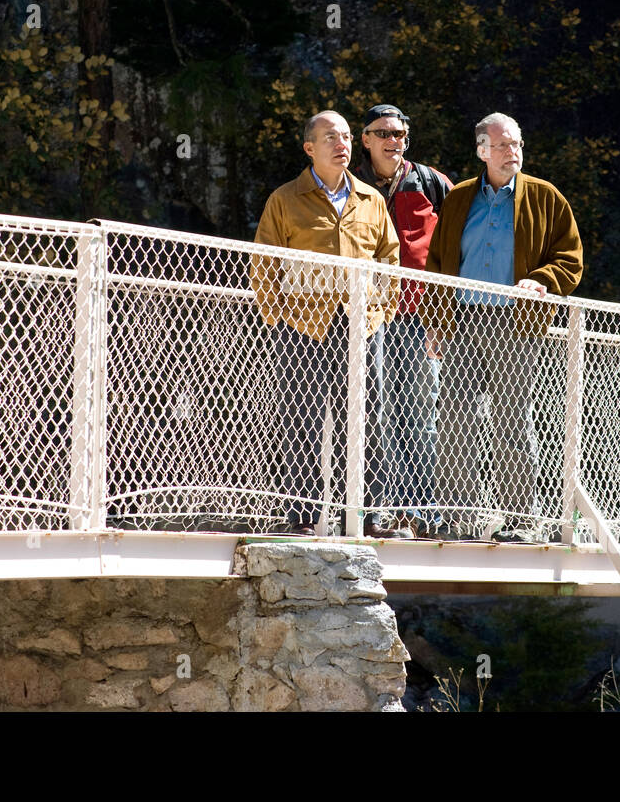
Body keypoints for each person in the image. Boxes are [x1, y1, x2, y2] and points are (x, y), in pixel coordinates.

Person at [424, 112, 583, 542]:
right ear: (482, 151)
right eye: (503, 145)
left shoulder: (546, 197)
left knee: (513, 421)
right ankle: (459, 518)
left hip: (516, 324)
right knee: (455, 421)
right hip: (461, 321)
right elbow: (437, 263)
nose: (513, 152)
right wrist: (435, 322)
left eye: (517, 144)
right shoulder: (457, 198)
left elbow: (571, 259)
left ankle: (522, 523)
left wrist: (542, 279)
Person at [250, 110, 407, 537]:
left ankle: (370, 515)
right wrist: (277, 316)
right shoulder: (285, 198)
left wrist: (383, 312)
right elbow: (263, 264)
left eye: (346, 138)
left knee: (370, 418)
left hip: (361, 326)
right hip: (302, 326)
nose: (342, 145)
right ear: (309, 148)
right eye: (331, 138)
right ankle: (303, 516)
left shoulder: (370, 199)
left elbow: (390, 260)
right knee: (300, 418)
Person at [352, 103, 453, 537]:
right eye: (385, 133)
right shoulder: (351, 186)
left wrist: (443, 319)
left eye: (400, 134)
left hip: (419, 318)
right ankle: (381, 510)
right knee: (375, 413)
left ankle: (425, 511)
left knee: (420, 413)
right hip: (368, 317)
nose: (394, 141)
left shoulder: (432, 183)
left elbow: (452, 253)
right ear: (366, 139)